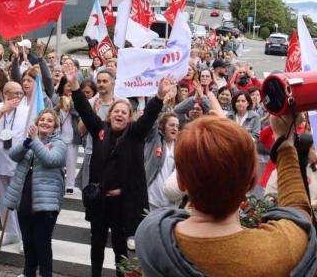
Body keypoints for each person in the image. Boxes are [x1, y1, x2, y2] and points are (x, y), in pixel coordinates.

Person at [135, 113, 317, 277]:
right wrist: (284, 143)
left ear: (181, 183)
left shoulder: (152, 238)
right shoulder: (280, 248)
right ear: (250, 184)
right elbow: (298, 215)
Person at [65, 63, 174, 277]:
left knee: (120, 249)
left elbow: (150, 116)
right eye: (117, 111)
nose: (120, 114)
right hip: (99, 201)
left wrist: (159, 96)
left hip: (122, 204)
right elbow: (85, 111)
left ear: (129, 117)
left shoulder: (135, 133)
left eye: (125, 112)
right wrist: (75, 85)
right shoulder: (99, 130)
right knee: (96, 245)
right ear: (110, 115)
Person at [4, 108, 67, 277]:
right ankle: (28, 273)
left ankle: (46, 274)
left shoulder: (59, 143)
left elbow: (50, 159)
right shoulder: (31, 141)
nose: (45, 122)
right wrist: (27, 142)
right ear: (37, 123)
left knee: (42, 243)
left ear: (55, 126)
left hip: (46, 203)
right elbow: (13, 155)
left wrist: (35, 141)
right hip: (24, 198)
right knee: (28, 241)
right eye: (42, 120)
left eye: (49, 120)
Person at [0, 81, 29, 250]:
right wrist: (3, 110)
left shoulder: (27, 110)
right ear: (6, 94)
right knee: (4, 200)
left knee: (22, 202)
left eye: (21, 93)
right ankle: (11, 233)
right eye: (15, 93)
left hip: (18, 161)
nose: (19, 96)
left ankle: (26, 237)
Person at [76, 69, 116, 192]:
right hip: (91, 152)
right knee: (90, 193)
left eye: (105, 81)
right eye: (99, 81)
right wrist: (92, 113)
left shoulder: (120, 103)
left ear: (113, 83)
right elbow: (81, 131)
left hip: (114, 154)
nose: (101, 84)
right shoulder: (90, 102)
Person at [144, 111, 180, 210]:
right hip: (152, 199)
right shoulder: (154, 139)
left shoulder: (180, 146)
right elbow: (151, 122)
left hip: (171, 201)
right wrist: (163, 105)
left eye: (177, 126)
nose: (175, 128)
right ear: (163, 126)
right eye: (171, 125)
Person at [54, 77, 81, 194]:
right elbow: (51, 113)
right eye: (67, 85)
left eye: (71, 85)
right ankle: (58, 181)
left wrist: (71, 105)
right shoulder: (56, 98)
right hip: (59, 135)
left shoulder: (77, 99)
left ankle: (70, 184)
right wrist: (59, 106)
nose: (69, 88)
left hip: (72, 135)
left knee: (71, 161)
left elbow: (78, 114)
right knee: (58, 161)